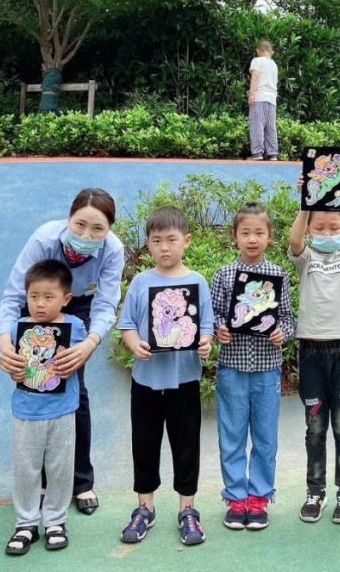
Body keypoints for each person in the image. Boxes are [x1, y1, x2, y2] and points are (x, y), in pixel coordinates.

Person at [0, 188, 124, 515]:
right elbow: (13, 296)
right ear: (68, 218)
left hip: (79, 305)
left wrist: (89, 343)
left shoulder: (112, 250)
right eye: (80, 224)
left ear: (109, 229)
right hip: (39, 302)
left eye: (98, 228)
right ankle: (42, 482)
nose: (86, 235)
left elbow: (106, 303)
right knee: (36, 383)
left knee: (72, 385)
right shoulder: (44, 240)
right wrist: (5, 342)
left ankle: (81, 482)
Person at [118, 206, 215, 546]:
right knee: (144, 444)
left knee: (186, 445)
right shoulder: (141, 282)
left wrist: (205, 344)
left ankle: (188, 510)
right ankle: (145, 507)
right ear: (148, 243)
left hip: (184, 380)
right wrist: (135, 345)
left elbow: (206, 328)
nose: (164, 247)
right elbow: (127, 325)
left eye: (171, 240)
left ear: (186, 241)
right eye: (156, 240)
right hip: (145, 381)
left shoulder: (197, 282)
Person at [211, 203, 296, 531]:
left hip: (267, 368)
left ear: (270, 236)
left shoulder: (278, 275)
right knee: (231, 435)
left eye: (259, 232)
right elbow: (214, 315)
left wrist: (281, 333)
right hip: (232, 367)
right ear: (234, 236)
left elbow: (287, 318)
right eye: (245, 232)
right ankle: (236, 497)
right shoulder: (224, 275)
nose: (252, 239)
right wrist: (219, 329)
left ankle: (259, 497)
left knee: (265, 437)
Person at [288, 174, 340, 524]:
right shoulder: (305, 258)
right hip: (311, 352)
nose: (327, 232)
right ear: (310, 230)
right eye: (319, 227)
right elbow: (293, 240)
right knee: (315, 427)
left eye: (334, 227)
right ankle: (315, 491)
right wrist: (306, 201)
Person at [0, 260, 85, 555]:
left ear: (66, 298)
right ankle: (25, 523)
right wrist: (13, 372)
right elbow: (13, 367)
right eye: (34, 296)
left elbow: (79, 360)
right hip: (26, 412)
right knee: (26, 469)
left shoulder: (75, 326)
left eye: (49, 297)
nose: (40, 303)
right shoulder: (17, 328)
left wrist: (70, 364)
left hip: (62, 410)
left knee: (60, 468)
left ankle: (56, 522)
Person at [247, 39, 279, 161]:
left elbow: (255, 77)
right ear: (272, 52)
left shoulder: (257, 61)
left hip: (259, 97)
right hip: (272, 99)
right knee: (270, 127)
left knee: (257, 125)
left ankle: (257, 153)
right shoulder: (274, 64)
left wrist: (251, 95)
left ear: (258, 51)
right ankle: (272, 154)